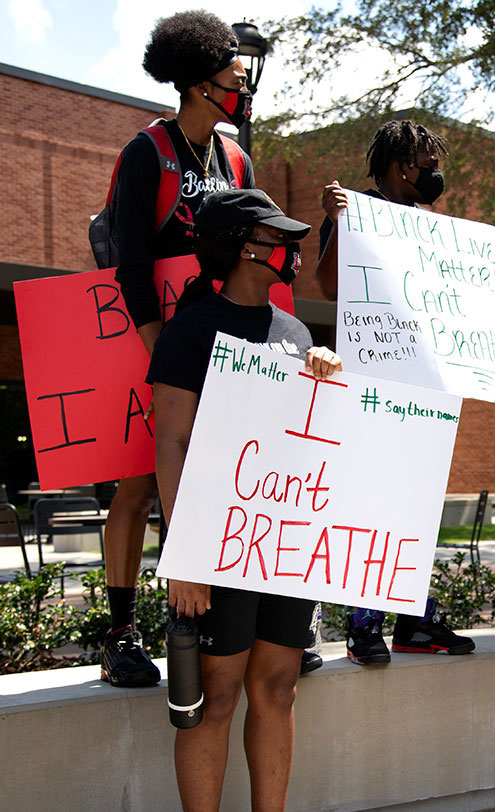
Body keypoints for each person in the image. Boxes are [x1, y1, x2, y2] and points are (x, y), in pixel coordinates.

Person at [151, 189, 341, 812]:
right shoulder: (191, 327)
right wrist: (186, 554)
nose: (290, 248)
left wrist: (321, 371)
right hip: (217, 542)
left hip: (282, 540)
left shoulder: (292, 330)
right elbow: (169, 442)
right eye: (278, 237)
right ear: (241, 246)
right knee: (219, 692)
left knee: (279, 683)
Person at [315, 118, 495, 663]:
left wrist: (494, 259)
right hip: (374, 384)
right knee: (374, 502)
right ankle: (364, 622)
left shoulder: (433, 226)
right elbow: (329, 286)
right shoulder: (355, 209)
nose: (437, 173)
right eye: (429, 163)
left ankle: (415, 618)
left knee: (418, 504)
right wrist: (340, 223)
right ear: (401, 165)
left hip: (427, 391)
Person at [98, 10, 255, 687]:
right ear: (198, 83)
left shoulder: (239, 158)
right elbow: (130, 262)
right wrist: (160, 347)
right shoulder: (147, 152)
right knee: (136, 485)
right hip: (154, 339)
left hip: (219, 344)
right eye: (232, 72)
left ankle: (198, 614)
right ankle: (120, 633)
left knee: (212, 479)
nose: (243, 82)